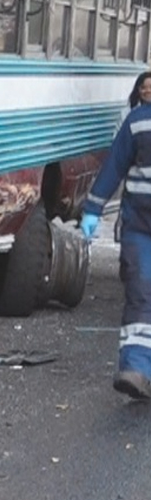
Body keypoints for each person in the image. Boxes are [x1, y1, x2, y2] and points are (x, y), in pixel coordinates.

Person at [82, 69, 151, 399]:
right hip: (140, 226)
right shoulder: (137, 121)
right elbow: (115, 167)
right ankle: (135, 369)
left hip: (139, 224)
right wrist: (93, 209)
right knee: (140, 291)